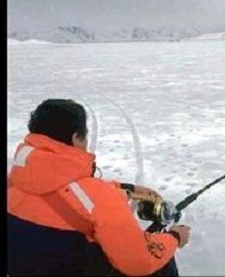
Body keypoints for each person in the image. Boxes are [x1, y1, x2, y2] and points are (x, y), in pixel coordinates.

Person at [7, 99, 191, 276]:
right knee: (159, 263)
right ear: (76, 138)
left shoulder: (14, 180)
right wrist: (174, 237)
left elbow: (63, 189)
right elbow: (139, 262)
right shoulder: (100, 198)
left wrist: (125, 188)